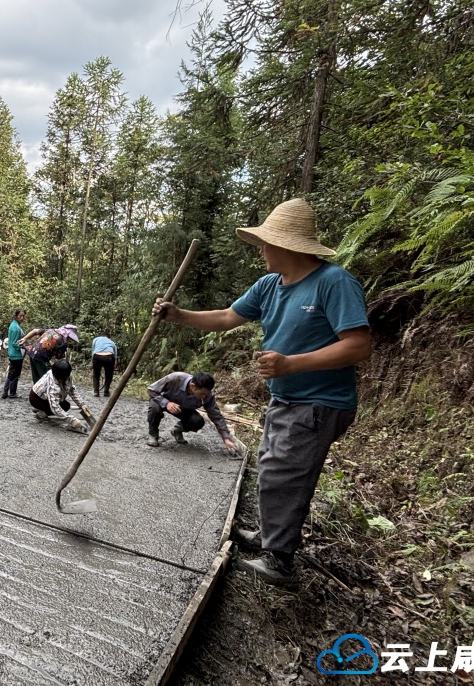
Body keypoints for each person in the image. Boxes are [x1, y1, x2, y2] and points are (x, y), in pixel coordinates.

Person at [153, 198, 371, 589]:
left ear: (288, 246)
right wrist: (179, 315)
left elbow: (358, 345)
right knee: (272, 467)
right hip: (285, 399)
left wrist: (291, 364)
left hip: (319, 402)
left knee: (284, 475)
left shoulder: (334, 282)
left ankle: (280, 562)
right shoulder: (269, 286)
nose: (261, 252)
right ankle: (271, 537)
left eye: (266, 244)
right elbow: (227, 317)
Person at [146, 371, 243, 457]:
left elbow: (216, 416)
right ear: (192, 386)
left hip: (183, 408)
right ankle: (153, 434)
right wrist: (167, 403)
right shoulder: (175, 378)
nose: (204, 397)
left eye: (206, 394)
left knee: (197, 421)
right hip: (163, 401)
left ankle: (177, 430)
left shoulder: (207, 395)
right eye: (202, 394)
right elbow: (151, 389)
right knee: (154, 408)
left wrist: (226, 438)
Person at [28, 359, 91, 432]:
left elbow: (72, 390)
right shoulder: (52, 385)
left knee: (66, 406)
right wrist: (72, 420)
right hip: (36, 398)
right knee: (58, 408)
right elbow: (55, 408)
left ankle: (44, 408)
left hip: (46, 397)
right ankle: (41, 413)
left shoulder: (67, 375)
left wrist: (82, 404)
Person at [2, 308, 26, 399]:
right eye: (20, 316)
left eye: (23, 316)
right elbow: (15, 343)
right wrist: (25, 347)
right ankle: (12, 392)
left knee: (11, 373)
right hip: (16, 354)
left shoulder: (14, 325)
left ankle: (5, 391)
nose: (22, 318)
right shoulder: (16, 328)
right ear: (16, 316)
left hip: (12, 353)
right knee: (15, 374)